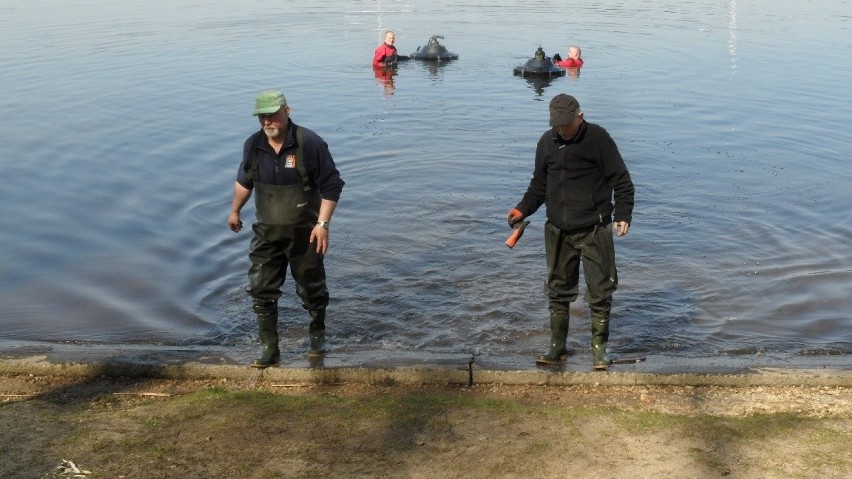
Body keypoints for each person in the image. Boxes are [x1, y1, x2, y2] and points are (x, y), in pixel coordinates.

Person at [507, 93, 634, 370]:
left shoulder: (598, 139)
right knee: (558, 291)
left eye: (567, 124)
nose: (562, 130)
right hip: (558, 231)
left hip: (595, 228)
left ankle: (599, 349)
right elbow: (539, 185)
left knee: (600, 292)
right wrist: (522, 209)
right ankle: (557, 347)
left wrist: (623, 214)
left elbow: (622, 181)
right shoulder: (547, 142)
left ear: (580, 116)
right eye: (558, 125)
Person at [228, 89, 345, 368]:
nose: (267, 121)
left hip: (306, 233)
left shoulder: (310, 143)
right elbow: (245, 181)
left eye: (272, 115)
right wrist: (235, 210)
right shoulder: (253, 145)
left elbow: (332, 185)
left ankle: (317, 335)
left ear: (287, 111)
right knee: (261, 287)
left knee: (311, 288)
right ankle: (270, 347)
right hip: (266, 233)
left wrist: (323, 224)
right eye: (262, 117)